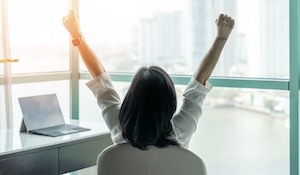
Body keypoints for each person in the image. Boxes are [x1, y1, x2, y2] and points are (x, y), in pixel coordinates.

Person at [63, 10, 234, 150]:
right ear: (169, 102)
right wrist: (221, 39)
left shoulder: (118, 126)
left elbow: (100, 78)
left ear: (131, 98)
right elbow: (198, 83)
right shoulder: (181, 131)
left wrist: (76, 34)